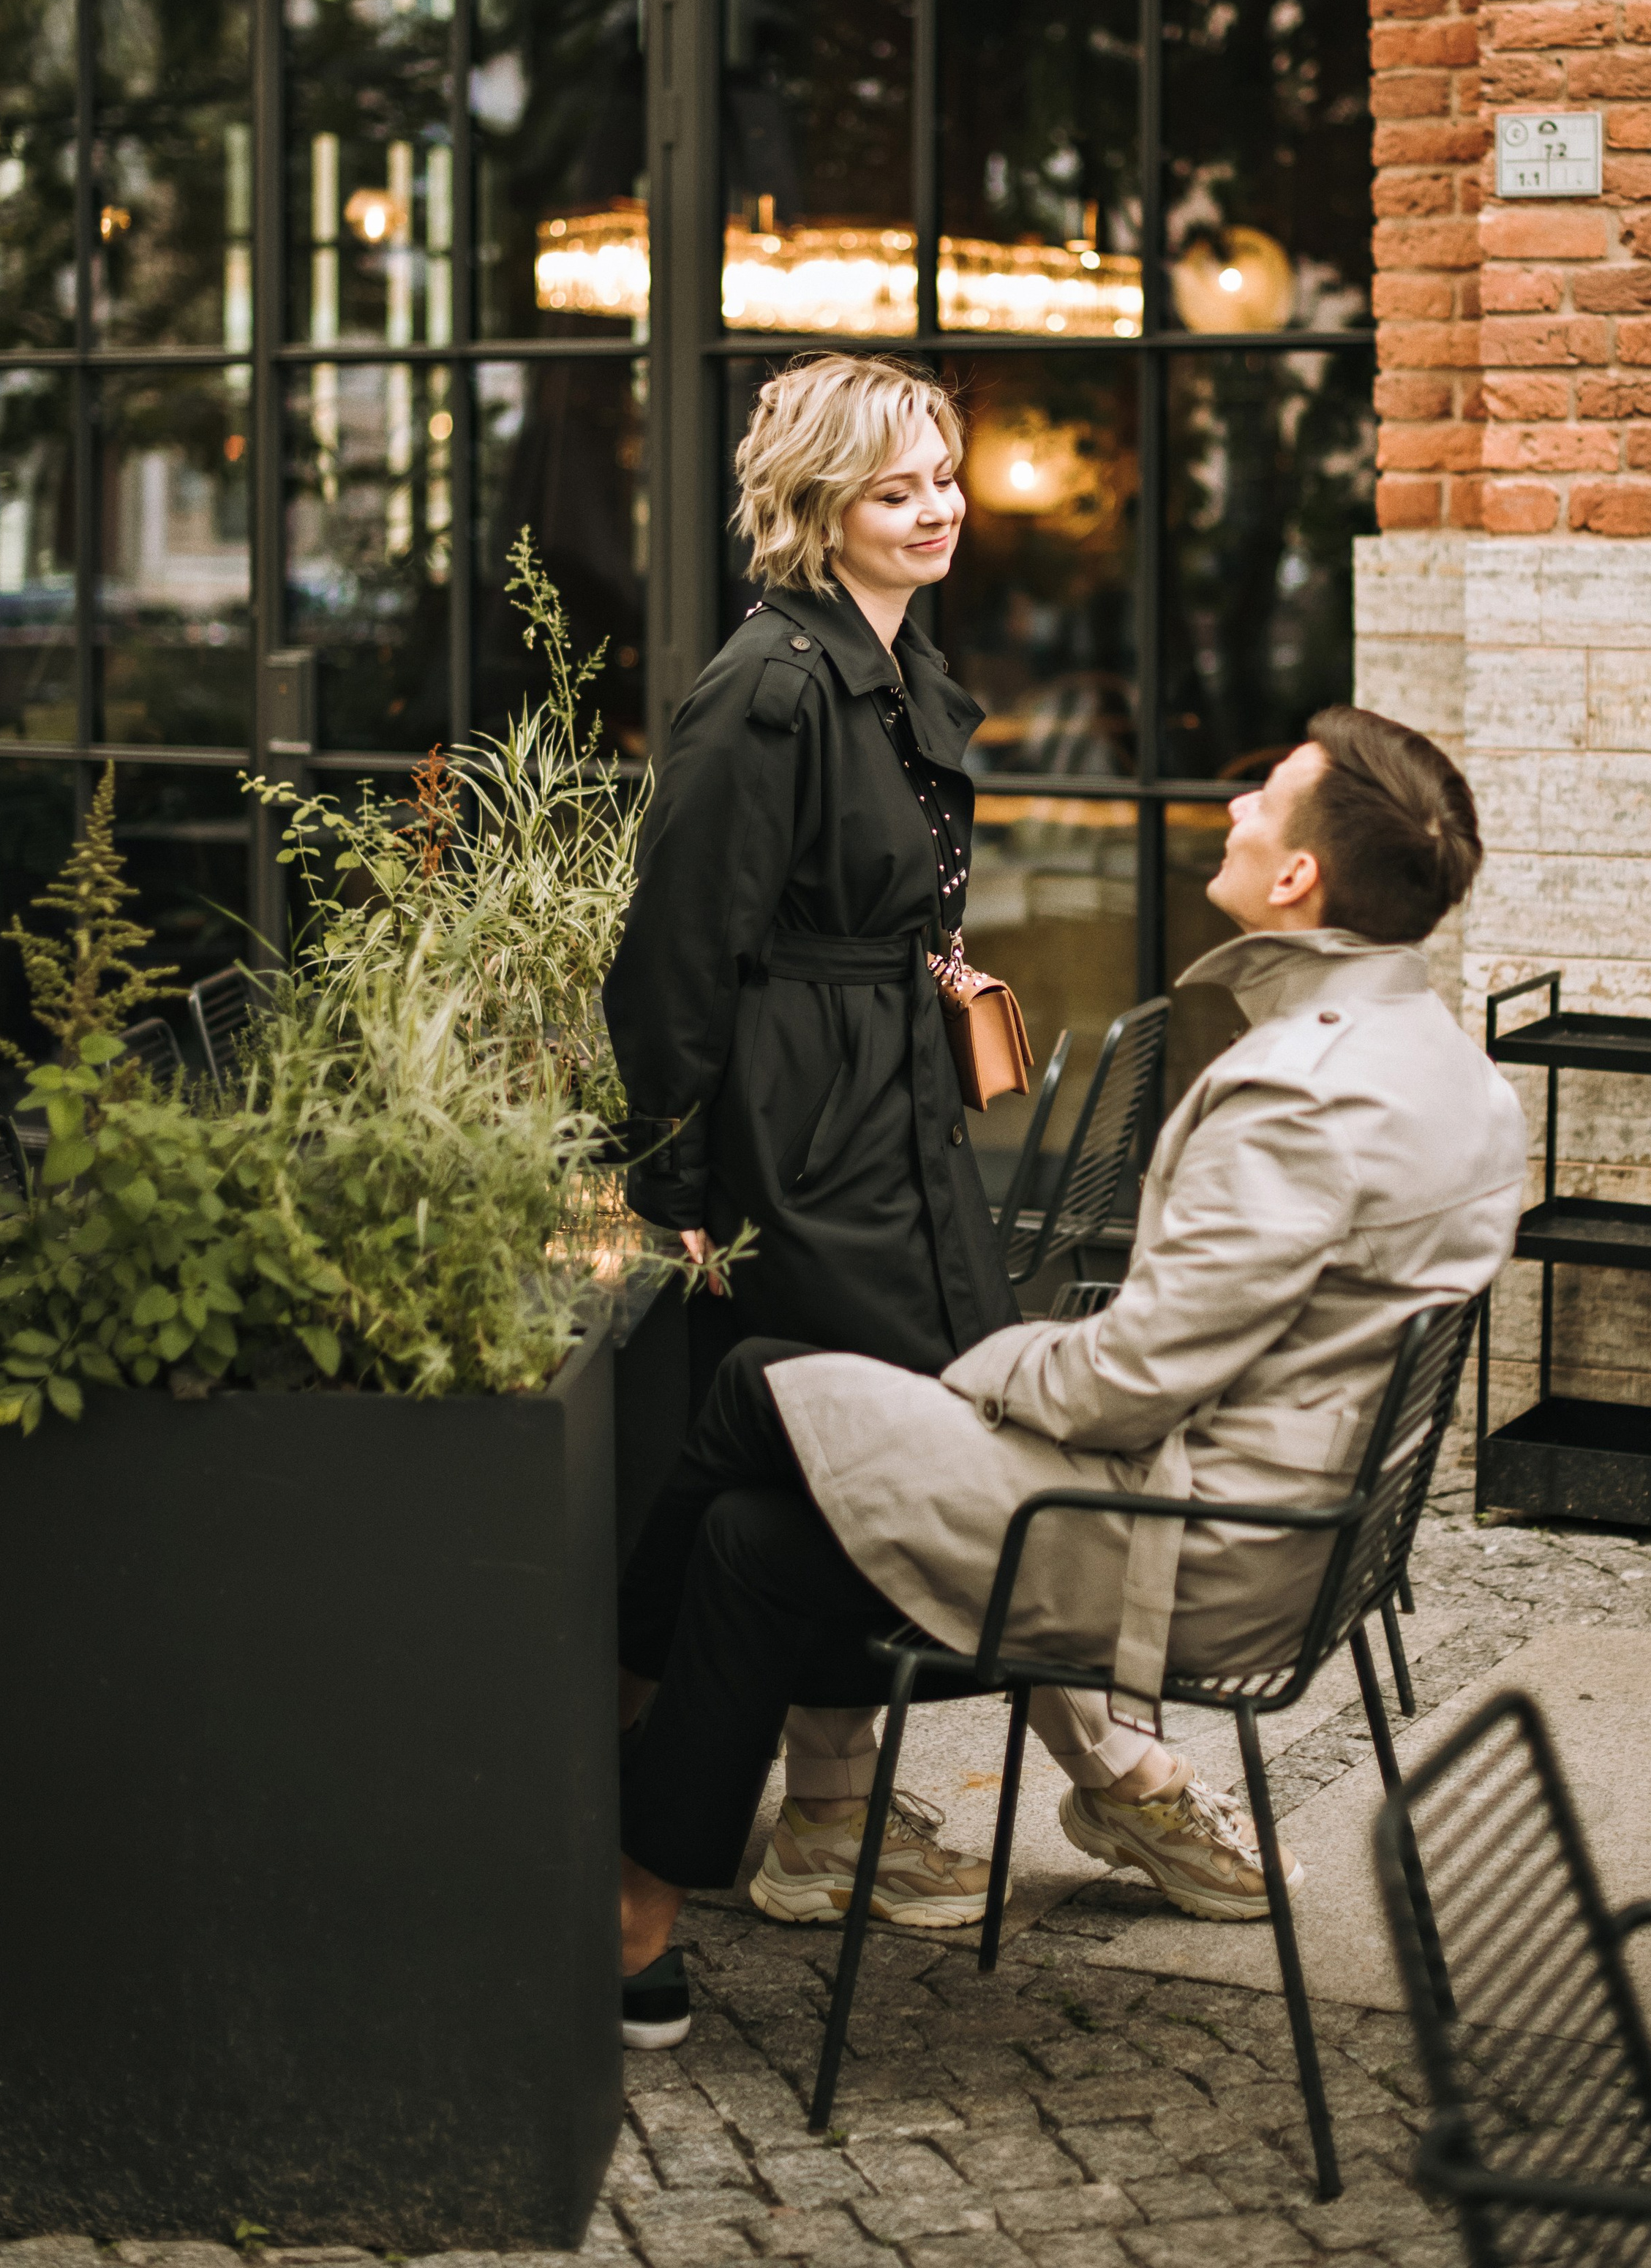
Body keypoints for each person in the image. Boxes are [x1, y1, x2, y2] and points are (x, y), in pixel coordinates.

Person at [614, 705, 1528, 2049]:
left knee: (753, 1379)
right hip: (1275, 1525)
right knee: (754, 1539)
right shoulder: (1455, 1072)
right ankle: (636, 1904)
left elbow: (1132, 1385)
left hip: (1186, 1548)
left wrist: (975, 1368)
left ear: (1297, 881)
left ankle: (601, 1768)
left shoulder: (1300, 1092)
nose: (1228, 805)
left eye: (1262, 793)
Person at [604, 352, 1024, 1943]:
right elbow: (669, 961)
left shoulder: (893, 660)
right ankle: (741, 1801)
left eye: (941, 476)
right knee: (869, 1451)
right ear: (813, 505)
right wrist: (682, 1192)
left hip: (893, 1110)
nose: (933, 509)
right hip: (804, 1135)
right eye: (894, 486)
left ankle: (797, 1813)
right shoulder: (770, 682)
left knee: (831, 1474)